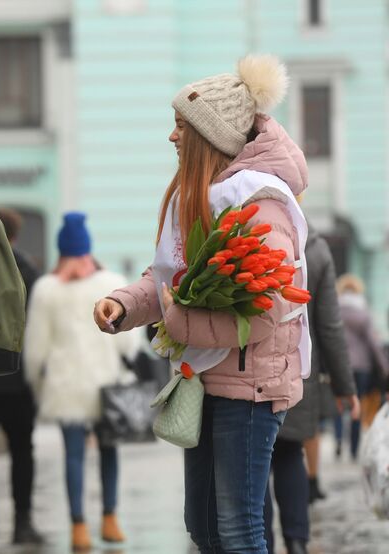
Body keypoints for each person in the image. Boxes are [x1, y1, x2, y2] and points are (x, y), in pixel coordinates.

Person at [93, 54, 309, 553]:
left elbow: (263, 312)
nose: (172, 138)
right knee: (204, 528)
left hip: (250, 389)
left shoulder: (260, 203)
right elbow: (168, 278)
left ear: (209, 136)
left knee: (239, 529)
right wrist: (124, 305)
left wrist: (175, 317)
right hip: (205, 381)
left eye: (180, 128)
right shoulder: (202, 197)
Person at [23, 212, 140, 551]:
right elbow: (128, 342)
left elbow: (36, 349)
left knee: (73, 456)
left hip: (66, 387)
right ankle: (110, 519)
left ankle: (78, 528)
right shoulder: (111, 283)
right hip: (107, 385)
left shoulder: (46, 289)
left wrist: (37, 384)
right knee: (109, 452)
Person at [263, 224, 358, 554]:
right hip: (299, 372)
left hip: (250, 374)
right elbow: (329, 327)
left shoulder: (245, 226)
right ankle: (297, 542)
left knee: (254, 465)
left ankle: (264, 545)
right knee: (290, 455)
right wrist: (345, 387)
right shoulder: (315, 248)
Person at [0, 207, 42, 550]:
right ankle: (23, 524)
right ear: (14, 234)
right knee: (23, 453)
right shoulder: (27, 267)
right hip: (19, 377)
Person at [333, 273, 389, 460]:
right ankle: (354, 449)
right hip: (362, 367)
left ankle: (339, 438)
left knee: (339, 403)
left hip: (340, 364)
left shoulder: (335, 309)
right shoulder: (363, 312)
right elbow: (373, 342)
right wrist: (384, 366)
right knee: (357, 404)